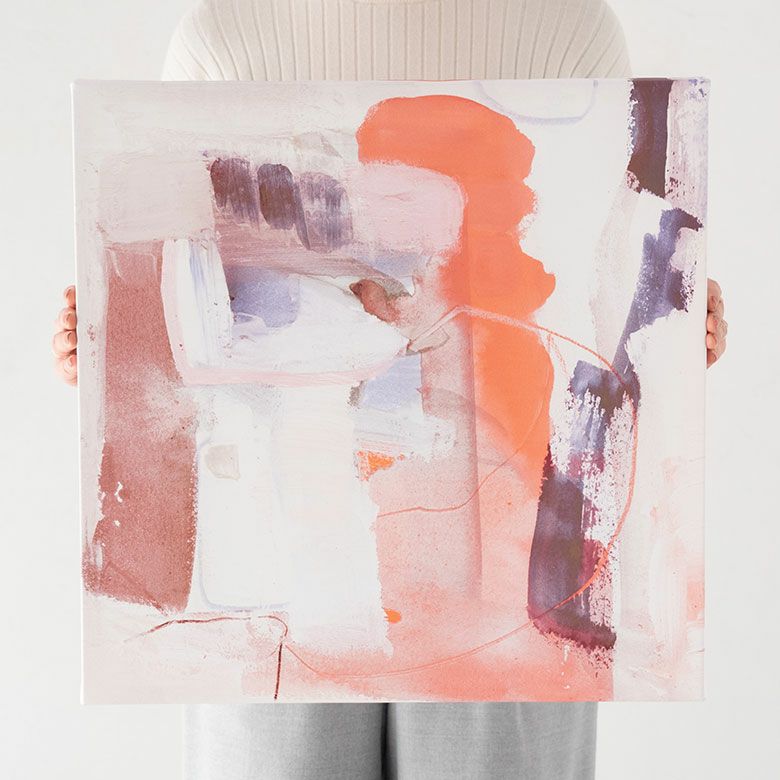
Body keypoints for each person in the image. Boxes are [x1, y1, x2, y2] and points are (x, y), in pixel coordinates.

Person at [53, 1, 729, 777]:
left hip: (511, 540)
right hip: (273, 545)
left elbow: (600, 264)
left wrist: (674, 332)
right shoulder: (227, 36)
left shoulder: (566, 30)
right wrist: (110, 340)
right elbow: (179, 256)